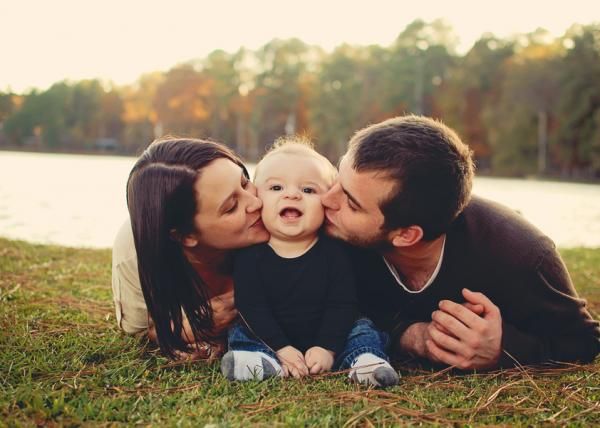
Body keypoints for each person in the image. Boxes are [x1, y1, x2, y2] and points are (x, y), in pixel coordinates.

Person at [321, 115, 600, 370]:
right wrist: (408, 335)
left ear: (406, 235)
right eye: (338, 177)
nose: (326, 199)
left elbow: (584, 342)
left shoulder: (522, 255)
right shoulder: (328, 227)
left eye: (351, 203)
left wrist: (503, 350)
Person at [220, 138, 399, 387]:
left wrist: (327, 347)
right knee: (241, 331)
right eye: (276, 188)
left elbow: (342, 303)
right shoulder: (250, 255)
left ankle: (365, 362)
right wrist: (281, 347)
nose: (292, 194)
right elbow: (252, 307)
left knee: (362, 329)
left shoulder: (335, 252)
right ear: (257, 197)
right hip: (271, 333)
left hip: (329, 331)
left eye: (308, 190)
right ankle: (261, 362)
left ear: (326, 202)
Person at [111, 137, 269, 359]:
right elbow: (138, 329)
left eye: (244, 183)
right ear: (186, 235)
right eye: (231, 207)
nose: (256, 203)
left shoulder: (279, 207)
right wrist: (185, 331)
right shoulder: (134, 252)